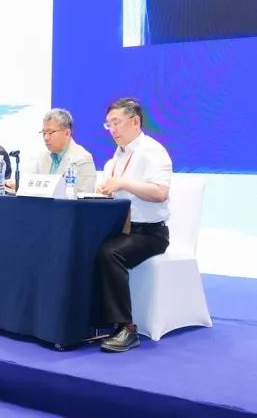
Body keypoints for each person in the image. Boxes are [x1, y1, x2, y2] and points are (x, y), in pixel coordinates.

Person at [96, 98, 171, 353]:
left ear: (135, 121)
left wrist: (123, 183)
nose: (112, 129)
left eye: (116, 123)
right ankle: (96, 320)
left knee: (110, 253)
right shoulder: (116, 157)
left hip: (150, 232)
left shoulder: (153, 151)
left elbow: (160, 193)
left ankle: (126, 328)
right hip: (122, 229)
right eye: (108, 125)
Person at [5, 109, 97, 194]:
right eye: (44, 133)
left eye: (51, 132)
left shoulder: (83, 159)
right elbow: (34, 187)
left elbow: (84, 198)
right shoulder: (42, 157)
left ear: (67, 133)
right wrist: (20, 188)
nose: (46, 138)